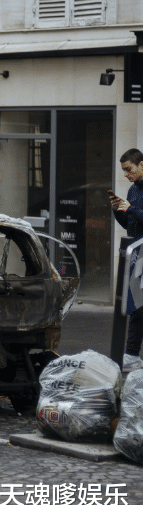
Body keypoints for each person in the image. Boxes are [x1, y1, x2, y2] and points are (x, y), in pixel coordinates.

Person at [110, 147, 143, 373]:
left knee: (138, 307)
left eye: (129, 169)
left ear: (141, 164)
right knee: (136, 308)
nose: (126, 174)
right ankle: (131, 355)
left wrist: (131, 209)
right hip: (137, 255)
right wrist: (118, 210)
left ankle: (131, 355)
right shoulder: (133, 190)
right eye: (123, 170)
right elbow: (130, 225)